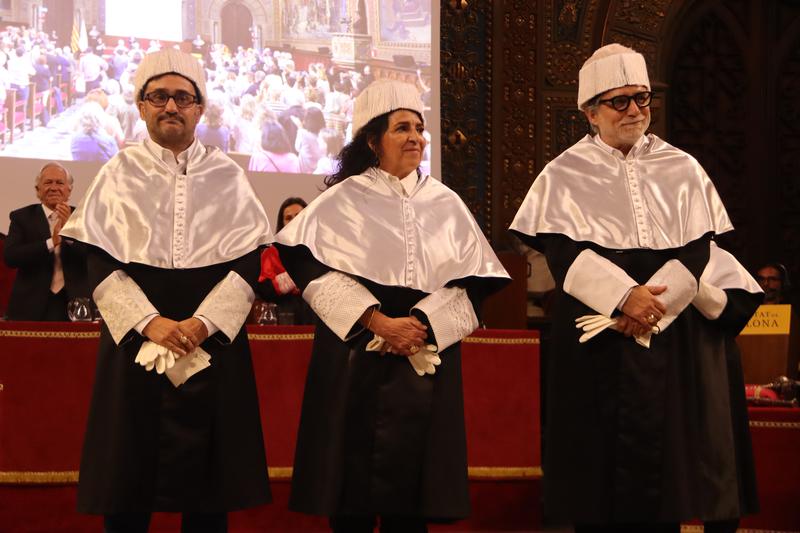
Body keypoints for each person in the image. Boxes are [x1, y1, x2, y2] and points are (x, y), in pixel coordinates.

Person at [510, 44, 741, 532]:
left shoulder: (682, 167)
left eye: (642, 98)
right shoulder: (563, 174)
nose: (635, 110)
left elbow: (698, 249)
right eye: (621, 101)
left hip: (665, 332)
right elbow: (560, 252)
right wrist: (622, 299)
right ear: (590, 112)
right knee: (595, 478)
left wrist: (651, 308)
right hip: (595, 333)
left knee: (666, 474)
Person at [275, 79, 510, 533]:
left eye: (420, 128)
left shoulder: (447, 202)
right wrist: (378, 321)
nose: (416, 138)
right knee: (351, 498)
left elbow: (478, 285)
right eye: (403, 127)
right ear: (371, 138)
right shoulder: (342, 199)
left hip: (424, 356)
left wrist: (422, 324)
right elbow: (307, 267)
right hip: (354, 356)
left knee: (412, 502)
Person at [60, 48, 272, 533]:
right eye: (159, 96)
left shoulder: (228, 176)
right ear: (140, 106)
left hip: (212, 340)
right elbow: (100, 259)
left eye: (182, 97)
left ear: (200, 108)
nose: (171, 106)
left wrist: (203, 324)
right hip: (135, 338)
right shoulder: (117, 173)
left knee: (208, 492)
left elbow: (246, 264)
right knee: (127, 482)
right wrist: (149, 322)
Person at [691, 243, 763, 533]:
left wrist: (687, 283)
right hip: (658, 369)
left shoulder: (714, 257)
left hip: (711, 366)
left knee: (718, 458)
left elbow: (737, 310)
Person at [4, 162, 88, 321]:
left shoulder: (83, 217)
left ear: (69, 190)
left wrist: (70, 235)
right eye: (48, 182)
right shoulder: (22, 217)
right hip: (30, 304)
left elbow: (92, 258)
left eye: (60, 183)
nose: (54, 187)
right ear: (38, 190)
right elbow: (11, 257)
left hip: (76, 303)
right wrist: (51, 242)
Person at [257, 197, 314, 325]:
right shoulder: (271, 252)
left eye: (298, 215)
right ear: (282, 223)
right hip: (284, 318)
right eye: (288, 218)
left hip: (319, 315)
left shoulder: (320, 250)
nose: (294, 221)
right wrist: (298, 275)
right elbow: (265, 290)